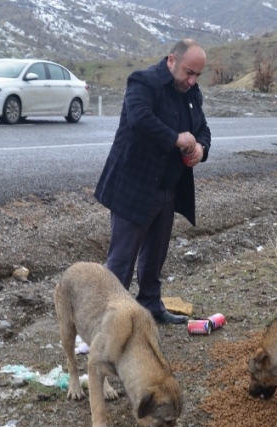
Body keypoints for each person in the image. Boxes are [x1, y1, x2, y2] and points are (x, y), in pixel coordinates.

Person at [94, 39, 211, 324]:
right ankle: (106, 322)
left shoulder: (192, 93)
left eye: (197, 75)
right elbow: (139, 118)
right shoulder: (143, 82)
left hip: (167, 188)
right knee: (121, 260)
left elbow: (203, 128)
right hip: (133, 186)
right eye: (188, 72)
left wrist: (201, 149)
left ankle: (150, 306)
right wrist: (176, 138)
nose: (192, 80)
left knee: (155, 257)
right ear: (172, 60)